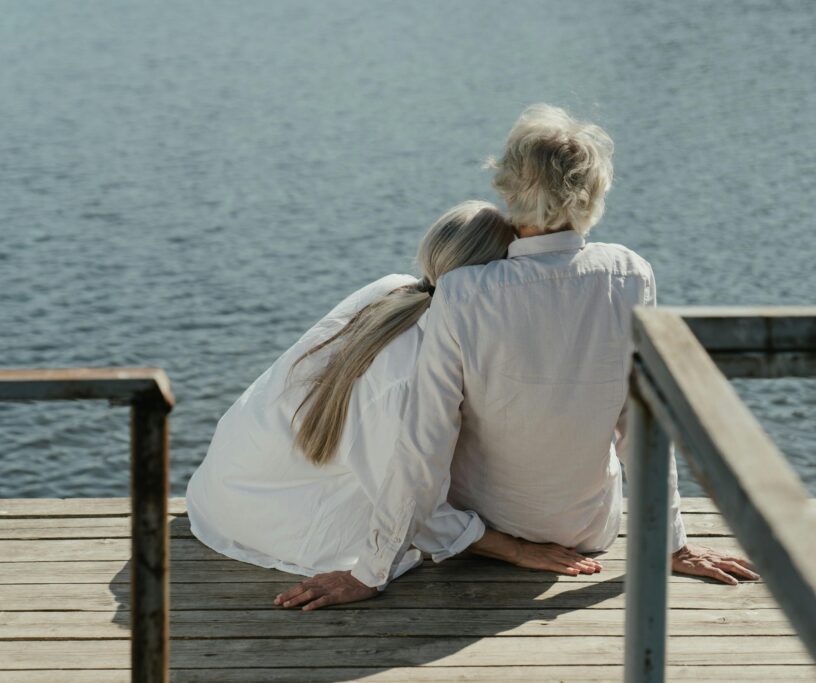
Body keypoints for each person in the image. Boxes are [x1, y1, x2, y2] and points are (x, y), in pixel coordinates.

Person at [275, 105, 758, 610]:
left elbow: (424, 443)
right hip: (587, 528)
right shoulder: (631, 274)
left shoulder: (464, 292)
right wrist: (671, 543)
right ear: (594, 194)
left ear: (507, 191)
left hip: (486, 524)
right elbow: (641, 421)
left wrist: (371, 572)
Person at [186, 200, 603, 609]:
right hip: (272, 521)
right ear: (485, 279)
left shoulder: (392, 290)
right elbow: (415, 505)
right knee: (411, 514)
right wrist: (515, 550)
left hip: (228, 486)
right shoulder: (415, 367)